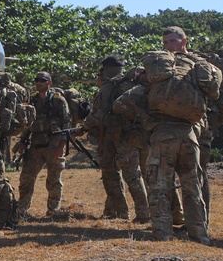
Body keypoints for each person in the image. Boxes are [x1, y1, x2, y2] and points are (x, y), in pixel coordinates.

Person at [136, 26, 214, 243]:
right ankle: (199, 234)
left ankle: (163, 234)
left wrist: (147, 121)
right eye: (166, 42)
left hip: (164, 134)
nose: (168, 46)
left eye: (171, 41)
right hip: (190, 133)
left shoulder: (159, 68)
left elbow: (128, 101)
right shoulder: (199, 65)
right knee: (192, 186)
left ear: (183, 41)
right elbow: (214, 93)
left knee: (160, 185)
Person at [82, 55, 150, 222]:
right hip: (140, 135)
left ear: (104, 70)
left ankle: (141, 214)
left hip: (120, 136)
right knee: (133, 175)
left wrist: (84, 127)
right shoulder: (132, 84)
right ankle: (123, 211)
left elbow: (98, 115)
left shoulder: (109, 88)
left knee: (130, 175)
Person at [13, 71, 71, 218]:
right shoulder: (32, 100)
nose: (38, 83)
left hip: (54, 144)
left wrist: (61, 146)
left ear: (49, 83)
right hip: (35, 146)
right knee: (26, 178)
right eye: (37, 80)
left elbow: (66, 125)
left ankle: (53, 211)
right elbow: (27, 123)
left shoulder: (59, 101)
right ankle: (22, 210)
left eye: (42, 80)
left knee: (53, 180)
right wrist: (23, 141)